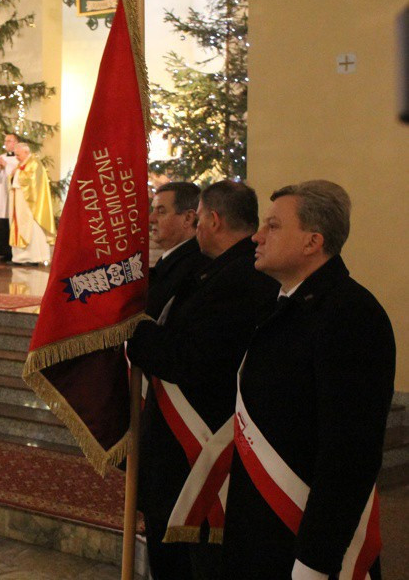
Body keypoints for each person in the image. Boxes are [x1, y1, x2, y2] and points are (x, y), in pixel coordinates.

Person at [221, 180, 394, 580]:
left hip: (302, 545)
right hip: (265, 531)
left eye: (274, 226)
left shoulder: (350, 315)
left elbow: (349, 455)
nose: (257, 237)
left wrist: (315, 562)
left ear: (312, 241)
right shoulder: (288, 305)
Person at [126, 181, 278, 580]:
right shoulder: (222, 271)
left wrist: (132, 332)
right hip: (182, 451)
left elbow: (189, 359)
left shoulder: (238, 279)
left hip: (196, 451)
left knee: (188, 563)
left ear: (211, 219)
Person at [146, 182, 208, 319]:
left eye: (161, 211)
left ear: (188, 218)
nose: (151, 218)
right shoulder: (173, 260)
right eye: (153, 210)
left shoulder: (193, 268)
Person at [9, 143, 55, 266]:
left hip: (31, 205)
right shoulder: (22, 164)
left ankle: (34, 258)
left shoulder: (34, 163)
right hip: (20, 202)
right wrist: (14, 174)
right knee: (19, 225)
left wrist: (17, 174)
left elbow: (32, 181)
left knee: (32, 228)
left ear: (25, 152)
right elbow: (15, 178)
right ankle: (20, 257)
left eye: (18, 155)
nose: (17, 157)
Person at [0, 132, 19, 262]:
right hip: (2, 193)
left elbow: (18, 172)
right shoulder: (1, 157)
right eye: (5, 141)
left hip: (14, 193)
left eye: (9, 141)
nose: (6, 143)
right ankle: (3, 251)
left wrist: (6, 166)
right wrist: (0, 168)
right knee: (2, 218)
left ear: (16, 143)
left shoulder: (20, 157)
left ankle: (13, 252)